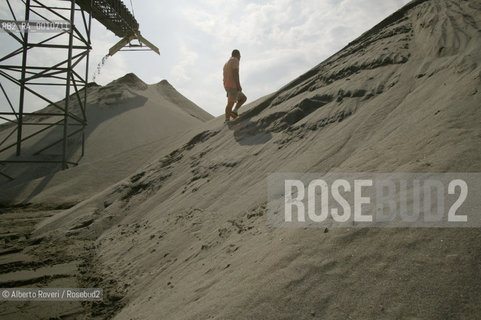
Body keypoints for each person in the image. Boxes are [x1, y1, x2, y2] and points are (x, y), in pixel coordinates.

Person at [223, 49, 247, 123]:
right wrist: (238, 85)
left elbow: (225, 76)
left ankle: (234, 112)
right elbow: (235, 73)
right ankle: (227, 120)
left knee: (243, 98)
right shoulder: (235, 60)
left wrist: (227, 89)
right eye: (240, 56)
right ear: (237, 55)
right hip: (233, 85)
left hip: (227, 85)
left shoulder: (226, 63)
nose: (240, 58)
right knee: (231, 103)